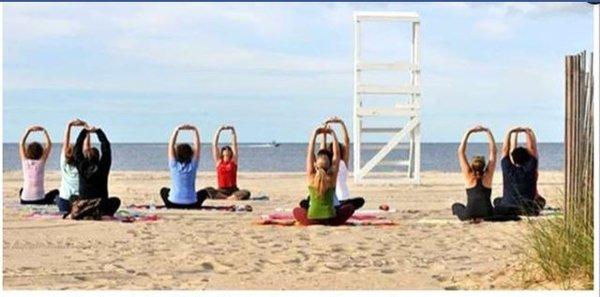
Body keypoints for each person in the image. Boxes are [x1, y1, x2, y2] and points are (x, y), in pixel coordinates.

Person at [293, 126, 355, 226]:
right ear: (330, 165)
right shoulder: (332, 178)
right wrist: (332, 133)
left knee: (296, 210)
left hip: (312, 219)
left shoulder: (311, 177)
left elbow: (310, 152)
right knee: (350, 207)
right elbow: (337, 155)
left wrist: (315, 133)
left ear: (315, 165)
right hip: (331, 220)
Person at [493, 126, 546, 216]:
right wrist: (528, 132)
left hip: (508, 208)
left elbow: (505, 149)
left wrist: (509, 132)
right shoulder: (531, 169)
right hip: (528, 209)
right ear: (527, 157)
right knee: (541, 202)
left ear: (513, 158)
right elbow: (532, 149)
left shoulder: (507, 168)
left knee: (496, 201)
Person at [72, 125, 121, 216]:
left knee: (72, 198)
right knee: (116, 201)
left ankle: (86, 211)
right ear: (98, 157)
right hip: (100, 204)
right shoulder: (103, 166)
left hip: (83, 204)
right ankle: (98, 212)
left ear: (86, 157)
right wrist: (98, 131)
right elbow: (106, 148)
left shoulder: (81, 166)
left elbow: (77, 149)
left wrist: (84, 131)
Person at [451, 125, 496, 222]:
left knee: (456, 206)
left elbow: (460, 152)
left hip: (470, 213)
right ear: (484, 165)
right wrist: (488, 131)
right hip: (487, 213)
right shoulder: (487, 175)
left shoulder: (468, 175)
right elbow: (493, 152)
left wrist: (469, 132)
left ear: (472, 165)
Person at [160, 124, 209, 209]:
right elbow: (197, 147)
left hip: (172, 203)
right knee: (204, 192)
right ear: (191, 154)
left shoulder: (174, 165)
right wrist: (195, 130)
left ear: (177, 154)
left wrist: (177, 130)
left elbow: (170, 146)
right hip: (192, 204)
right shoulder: (192, 166)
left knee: (163, 191)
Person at [202, 125, 251, 200]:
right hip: (221, 190)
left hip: (233, 190)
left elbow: (234, 145)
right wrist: (219, 130)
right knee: (207, 190)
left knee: (246, 192)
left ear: (231, 153)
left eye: (228, 151)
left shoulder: (233, 161)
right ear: (222, 153)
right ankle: (227, 198)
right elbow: (214, 145)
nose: (227, 152)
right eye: (225, 151)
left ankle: (228, 197)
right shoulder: (219, 162)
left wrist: (233, 130)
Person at [57, 119, 91, 213]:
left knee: (57, 197)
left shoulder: (64, 162)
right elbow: (87, 147)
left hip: (64, 203)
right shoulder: (82, 164)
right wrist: (86, 126)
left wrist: (69, 125)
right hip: (79, 203)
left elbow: (65, 143)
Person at [18, 125, 58, 204]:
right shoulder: (41, 163)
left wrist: (28, 131)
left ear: (28, 152)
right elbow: (49, 145)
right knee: (56, 192)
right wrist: (44, 131)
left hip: (24, 200)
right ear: (41, 152)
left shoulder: (25, 162)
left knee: (22, 190)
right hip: (40, 200)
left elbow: (21, 144)